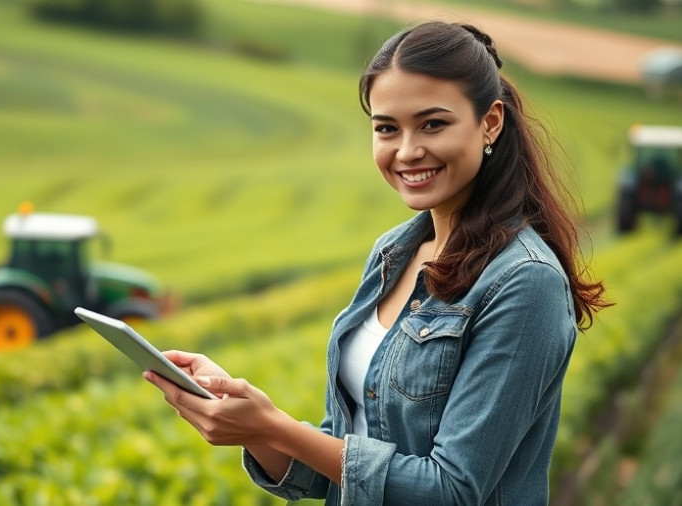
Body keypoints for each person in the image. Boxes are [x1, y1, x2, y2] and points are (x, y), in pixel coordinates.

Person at [144, 21, 609, 505]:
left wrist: (275, 425)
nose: (407, 151)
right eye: (387, 128)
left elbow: (450, 490)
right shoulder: (392, 254)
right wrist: (250, 423)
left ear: (489, 122)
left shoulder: (524, 282)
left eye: (433, 124)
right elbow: (339, 461)